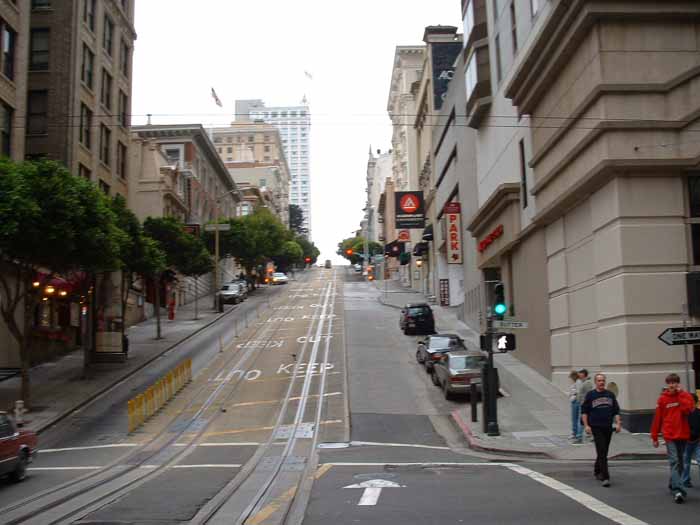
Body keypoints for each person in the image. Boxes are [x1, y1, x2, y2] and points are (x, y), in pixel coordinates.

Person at [651, 373, 695, 503]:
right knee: (675, 461)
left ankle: (672, 483)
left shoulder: (685, 396)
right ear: (667, 384)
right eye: (670, 383)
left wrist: (680, 395)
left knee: (680, 462)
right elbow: (657, 418)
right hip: (669, 434)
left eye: (674, 383)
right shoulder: (662, 399)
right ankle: (678, 490)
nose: (672, 385)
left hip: (682, 434)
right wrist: (654, 436)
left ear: (678, 384)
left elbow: (688, 410)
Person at [581, 373, 621, 487]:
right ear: (595, 382)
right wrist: (587, 426)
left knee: (603, 451)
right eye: (599, 381)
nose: (601, 382)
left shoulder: (610, 395)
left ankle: (597, 470)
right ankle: (605, 477)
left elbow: (616, 411)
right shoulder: (590, 395)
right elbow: (584, 412)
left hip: (608, 427)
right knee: (602, 451)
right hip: (596, 427)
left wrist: (618, 423)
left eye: (603, 380)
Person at [681, 393, 700, 488]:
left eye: (692, 401)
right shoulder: (684, 413)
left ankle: (685, 480)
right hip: (686, 441)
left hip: (697, 441)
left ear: (696, 403)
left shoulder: (698, 413)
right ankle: (685, 480)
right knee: (686, 462)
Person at [568, 370, 582, 443]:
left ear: (574, 376)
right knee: (574, 418)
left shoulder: (578, 382)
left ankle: (576, 434)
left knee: (576, 418)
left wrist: (574, 397)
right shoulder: (575, 382)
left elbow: (578, 392)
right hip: (574, 401)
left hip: (576, 402)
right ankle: (574, 433)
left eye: (571, 377)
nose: (571, 378)